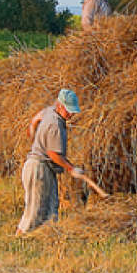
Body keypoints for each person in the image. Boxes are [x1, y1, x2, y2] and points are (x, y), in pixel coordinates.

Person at [16, 89, 86, 235]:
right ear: (60, 105)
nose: (71, 115)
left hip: (39, 167)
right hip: (39, 169)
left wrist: (33, 134)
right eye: (68, 111)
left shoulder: (49, 111)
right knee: (35, 210)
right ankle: (18, 241)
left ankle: (48, 240)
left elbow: (35, 120)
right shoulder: (56, 126)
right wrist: (71, 169)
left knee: (50, 207)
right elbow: (53, 154)